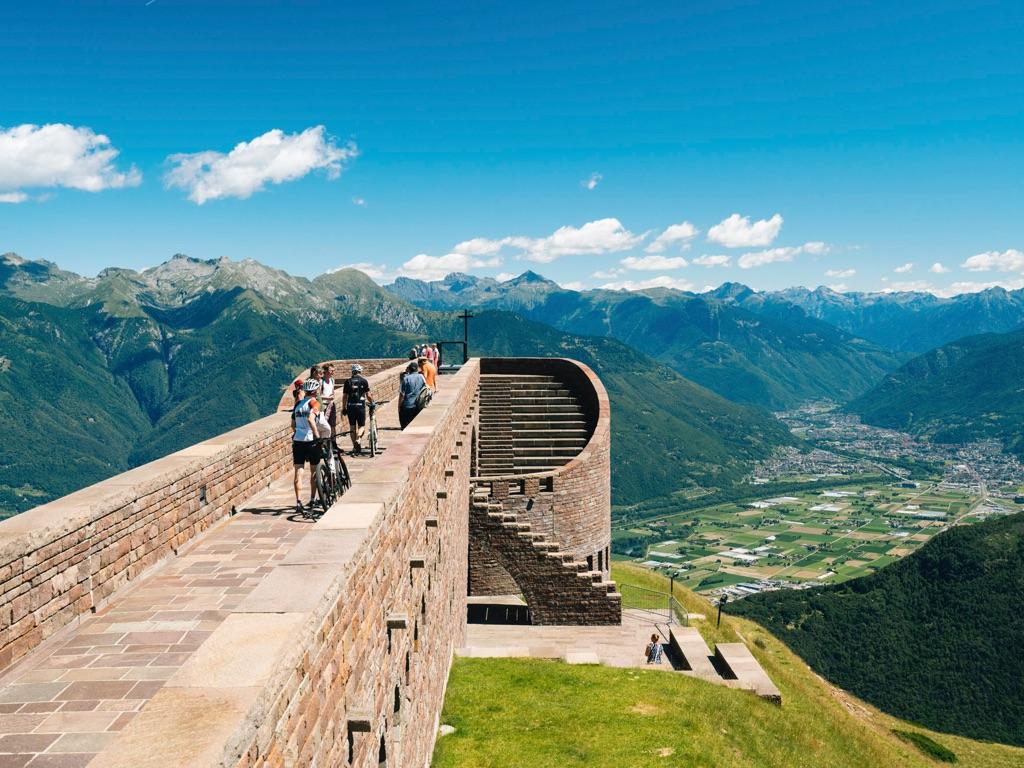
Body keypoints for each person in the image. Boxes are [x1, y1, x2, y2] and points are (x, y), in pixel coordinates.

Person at [292, 378, 322, 515]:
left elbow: (293, 424)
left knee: (299, 472)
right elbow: (311, 419)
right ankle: (312, 499)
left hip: (298, 441)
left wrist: (298, 432)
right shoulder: (314, 403)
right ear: (315, 391)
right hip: (310, 440)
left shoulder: (297, 405)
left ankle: (298, 502)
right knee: (314, 470)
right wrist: (317, 436)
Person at [342, 363, 373, 454]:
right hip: (360, 406)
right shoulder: (364, 381)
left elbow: (344, 396)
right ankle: (358, 439)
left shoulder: (347, 382)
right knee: (362, 426)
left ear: (352, 371)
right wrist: (372, 402)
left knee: (352, 427)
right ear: (360, 371)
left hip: (350, 406)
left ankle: (354, 447)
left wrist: (344, 407)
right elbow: (368, 395)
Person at [399, 361, 426, 429]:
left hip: (407, 406)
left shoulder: (406, 379)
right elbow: (426, 389)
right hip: (418, 405)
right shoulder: (421, 377)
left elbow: (402, 395)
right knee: (415, 427)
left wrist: (399, 406)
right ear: (417, 369)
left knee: (405, 427)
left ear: (410, 369)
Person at [321, 363, 338, 448]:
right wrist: (327, 397)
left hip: (331, 404)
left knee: (333, 425)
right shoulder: (321, 381)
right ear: (326, 371)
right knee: (325, 425)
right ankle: (325, 444)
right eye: (331, 370)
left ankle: (334, 443)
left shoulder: (332, 380)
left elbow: (332, 392)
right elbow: (317, 395)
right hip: (323, 405)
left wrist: (332, 396)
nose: (333, 372)